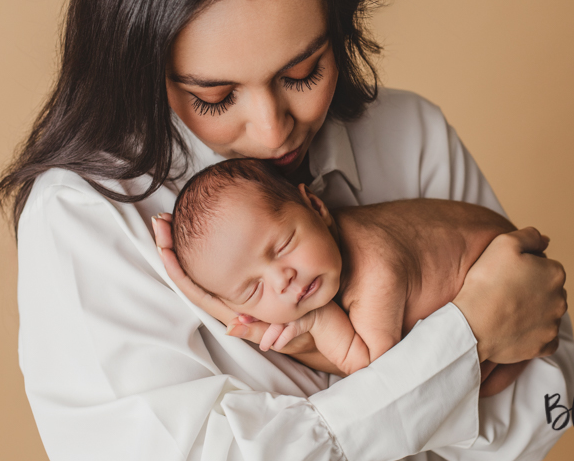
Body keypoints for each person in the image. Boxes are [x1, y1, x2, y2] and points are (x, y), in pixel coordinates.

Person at [0, 0, 574, 461]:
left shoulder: (409, 134)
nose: (274, 129)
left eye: (303, 73)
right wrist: (460, 339)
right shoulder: (87, 217)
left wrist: (375, 358)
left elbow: (548, 410)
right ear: (144, 73)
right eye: (214, 97)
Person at [165, 157, 531, 381]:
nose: (282, 279)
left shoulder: (376, 268)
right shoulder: (334, 245)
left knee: (480, 389)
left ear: (315, 205)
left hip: (518, 302)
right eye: (253, 290)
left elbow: (381, 376)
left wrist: (317, 324)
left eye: (283, 246)